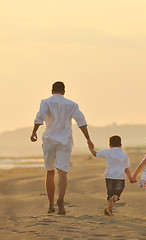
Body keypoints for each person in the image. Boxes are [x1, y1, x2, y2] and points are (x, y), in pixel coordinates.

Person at [30, 81, 94, 215]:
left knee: (49, 171)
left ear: (52, 91)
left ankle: (50, 205)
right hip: (65, 141)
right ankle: (61, 199)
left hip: (49, 140)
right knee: (63, 172)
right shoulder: (72, 104)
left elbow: (40, 117)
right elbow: (81, 121)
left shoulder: (46, 102)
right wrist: (88, 139)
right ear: (64, 92)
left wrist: (34, 132)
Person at [89, 135, 135, 216]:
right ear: (121, 145)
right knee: (116, 194)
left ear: (110, 145)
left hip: (109, 177)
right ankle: (113, 201)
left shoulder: (107, 152)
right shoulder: (124, 155)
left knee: (109, 194)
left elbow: (95, 154)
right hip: (120, 178)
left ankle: (109, 209)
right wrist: (131, 178)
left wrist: (90, 148)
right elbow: (126, 169)